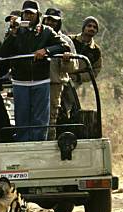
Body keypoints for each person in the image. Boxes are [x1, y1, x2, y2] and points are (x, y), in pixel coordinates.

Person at [0, 1, 70, 142]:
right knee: (22, 117)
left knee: (40, 119)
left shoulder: (46, 31)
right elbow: (3, 52)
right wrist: (12, 33)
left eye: (31, 13)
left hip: (41, 80)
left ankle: (39, 146)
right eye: (26, 13)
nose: (28, 16)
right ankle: (23, 147)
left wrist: (46, 50)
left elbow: (64, 46)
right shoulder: (16, 31)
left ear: (38, 15)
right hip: (20, 81)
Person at [41, 8, 78, 139]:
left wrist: (66, 60)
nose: (50, 23)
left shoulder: (66, 41)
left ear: (59, 23)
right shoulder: (37, 36)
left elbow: (73, 67)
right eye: (48, 20)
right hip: (35, 82)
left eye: (54, 21)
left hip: (55, 83)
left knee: (51, 117)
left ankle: (49, 144)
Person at [69, 16, 102, 85]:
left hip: (75, 83)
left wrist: (78, 77)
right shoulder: (70, 40)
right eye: (89, 26)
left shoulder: (96, 51)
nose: (92, 28)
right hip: (59, 77)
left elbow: (95, 71)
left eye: (94, 27)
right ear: (83, 27)